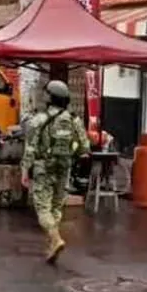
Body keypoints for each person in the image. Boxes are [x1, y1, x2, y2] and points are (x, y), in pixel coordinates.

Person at [21, 80, 89, 264]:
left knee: (43, 208)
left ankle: (55, 238)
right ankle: (51, 243)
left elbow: (30, 148)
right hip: (64, 167)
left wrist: (25, 171)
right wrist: (71, 154)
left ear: (49, 97)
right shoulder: (74, 119)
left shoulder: (39, 120)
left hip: (44, 167)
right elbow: (85, 148)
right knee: (57, 207)